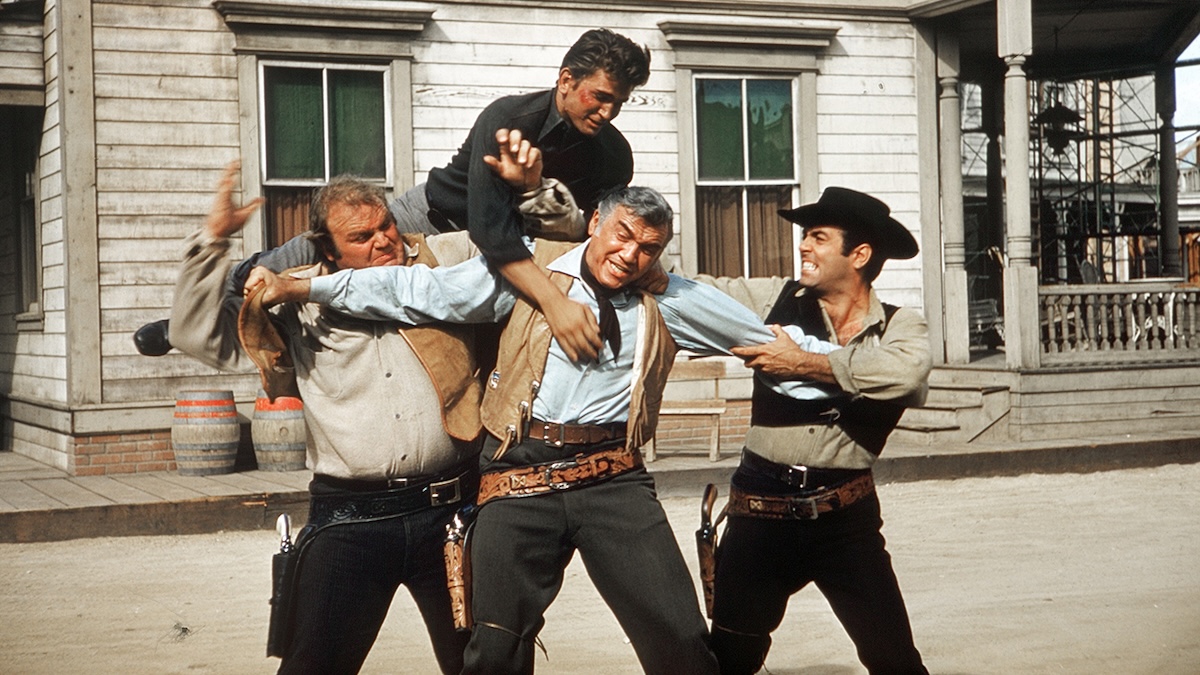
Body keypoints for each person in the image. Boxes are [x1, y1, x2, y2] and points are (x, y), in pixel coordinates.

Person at [249, 186, 838, 675]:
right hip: (517, 479)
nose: (630, 255)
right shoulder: (526, 276)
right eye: (622, 236)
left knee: (679, 640)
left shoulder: (669, 298)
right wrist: (303, 285)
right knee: (495, 650)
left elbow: (768, 343)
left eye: (648, 248)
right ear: (595, 225)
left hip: (612, 479)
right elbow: (416, 290)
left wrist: (843, 369)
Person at [168, 150, 570, 674]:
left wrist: (535, 190)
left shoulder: (444, 260)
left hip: (452, 510)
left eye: (385, 225)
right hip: (349, 521)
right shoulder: (298, 295)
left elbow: (551, 254)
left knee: (492, 664)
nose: (384, 241)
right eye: (361, 237)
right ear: (327, 250)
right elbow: (197, 336)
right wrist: (213, 242)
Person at [138, 28, 651, 363]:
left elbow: (595, 231)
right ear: (566, 81)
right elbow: (494, 234)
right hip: (428, 217)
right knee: (290, 261)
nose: (607, 111)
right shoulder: (508, 120)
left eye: (619, 102)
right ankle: (184, 320)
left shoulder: (613, 156)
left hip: (493, 248)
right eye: (599, 96)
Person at [707, 187, 932, 674]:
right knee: (729, 657)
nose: (803, 246)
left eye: (818, 237)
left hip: (846, 521)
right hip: (759, 513)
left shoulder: (901, 326)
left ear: (860, 255)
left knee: (894, 658)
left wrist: (801, 362)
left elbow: (906, 375)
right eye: (805, 236)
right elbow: (697, 291)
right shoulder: (773, 298)